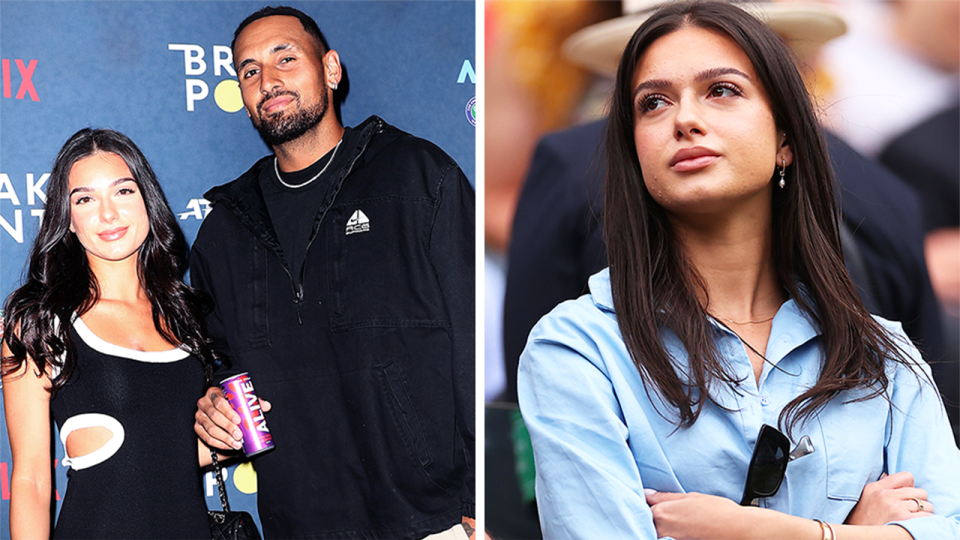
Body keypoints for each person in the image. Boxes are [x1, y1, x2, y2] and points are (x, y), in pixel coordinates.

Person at [517, 3, 960, 539]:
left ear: (786, 138)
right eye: (652, 102)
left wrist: (766, 531)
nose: (684, 119)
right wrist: (858, 531)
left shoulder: (884, 353)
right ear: (631, 149)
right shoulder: (577, 348)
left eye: (722, 90)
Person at [190, 6, 475, 539]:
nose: (268, 80)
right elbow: (215, 371)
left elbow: (477, 341)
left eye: (285, 58)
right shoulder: (223, 232)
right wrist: (209, 407)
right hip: (297, 523)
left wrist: (485, 496)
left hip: (432, 520)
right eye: (249, 71)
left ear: (331, 69)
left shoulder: (417, 177)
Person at [1, 128, 216, 539]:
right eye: (85, 199)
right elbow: (30, 480)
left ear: (147, 202)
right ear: (68, 221)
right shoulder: (42, 322)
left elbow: (170, 448)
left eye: (123, 191)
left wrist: (228, 434)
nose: (108, 214)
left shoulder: (186, 316)